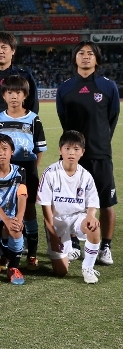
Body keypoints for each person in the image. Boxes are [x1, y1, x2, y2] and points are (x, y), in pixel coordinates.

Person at [56, 41, 119, 265]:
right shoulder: (65, 88)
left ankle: (105, 247)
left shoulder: (108, 86)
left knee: (106, 202)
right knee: (70, 202)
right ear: (75, 58)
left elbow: (112, 118)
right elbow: (64, 119)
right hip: (72, 155)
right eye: (81, 53)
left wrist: (99, 141)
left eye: (90, 53)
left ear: (96, 59)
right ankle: (73, 243)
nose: (85, 56)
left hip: (100, 154)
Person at [0, 75, 46, 271]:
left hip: (27, 169)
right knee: (6, 208)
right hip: (5, 169)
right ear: (3, 95)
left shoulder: (33, 119)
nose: (14, 96)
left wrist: (31, 170)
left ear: (25, 95)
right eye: (9, 92)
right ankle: (7, 252)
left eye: (18, 92)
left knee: (29, 209)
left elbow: (39, 149)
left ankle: (32, 253)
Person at [37, 131, 102, 284]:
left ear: (82, 152)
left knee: (93, 226)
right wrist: (53, 236)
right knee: (61, 272)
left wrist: (91, 215)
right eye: (67, 148)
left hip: (78, 217)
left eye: (76, 149)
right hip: (57, 221)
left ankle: (88, 268)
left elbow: (92, 202)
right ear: (60, 150)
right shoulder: (50, 173)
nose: (71, 153)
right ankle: (66, 250)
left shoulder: (86, 175)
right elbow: (46, 209)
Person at [0, 134, 28, 285]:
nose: (1, 153)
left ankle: (13, 267)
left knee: (16, 227)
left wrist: (19, 218)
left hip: (10, 220)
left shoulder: (20, 171)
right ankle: (2, 253)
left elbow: (22, 196)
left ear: (12, 151)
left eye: (5, 149)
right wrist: (6, 219)